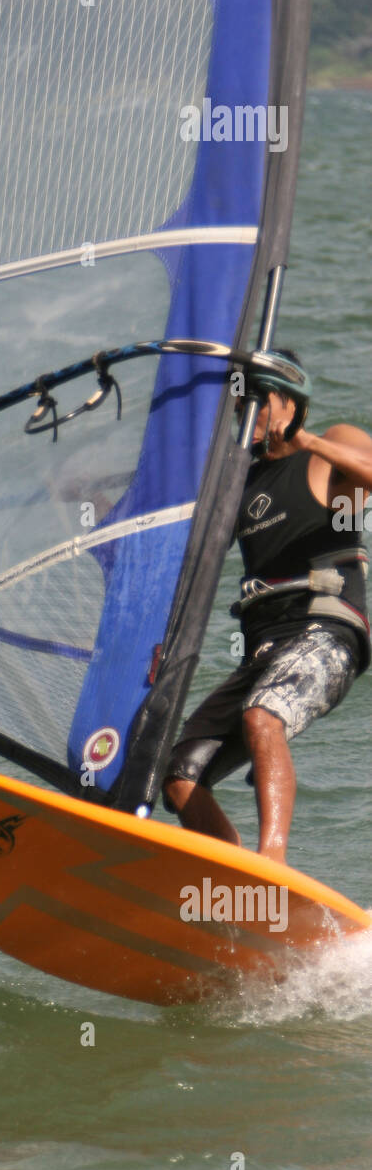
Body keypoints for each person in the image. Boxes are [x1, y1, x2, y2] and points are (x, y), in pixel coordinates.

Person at [163, 352, 372, 862]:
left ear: (287, 400)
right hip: (263, 647)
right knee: (178, 774)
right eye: (238, 407)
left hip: (326, 627)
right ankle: (237, 877)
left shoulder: (328, 451)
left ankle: (270, 864)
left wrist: (306, 440)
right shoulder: (240, 484)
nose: (246, 416)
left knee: (263, 715)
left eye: (255, 403)